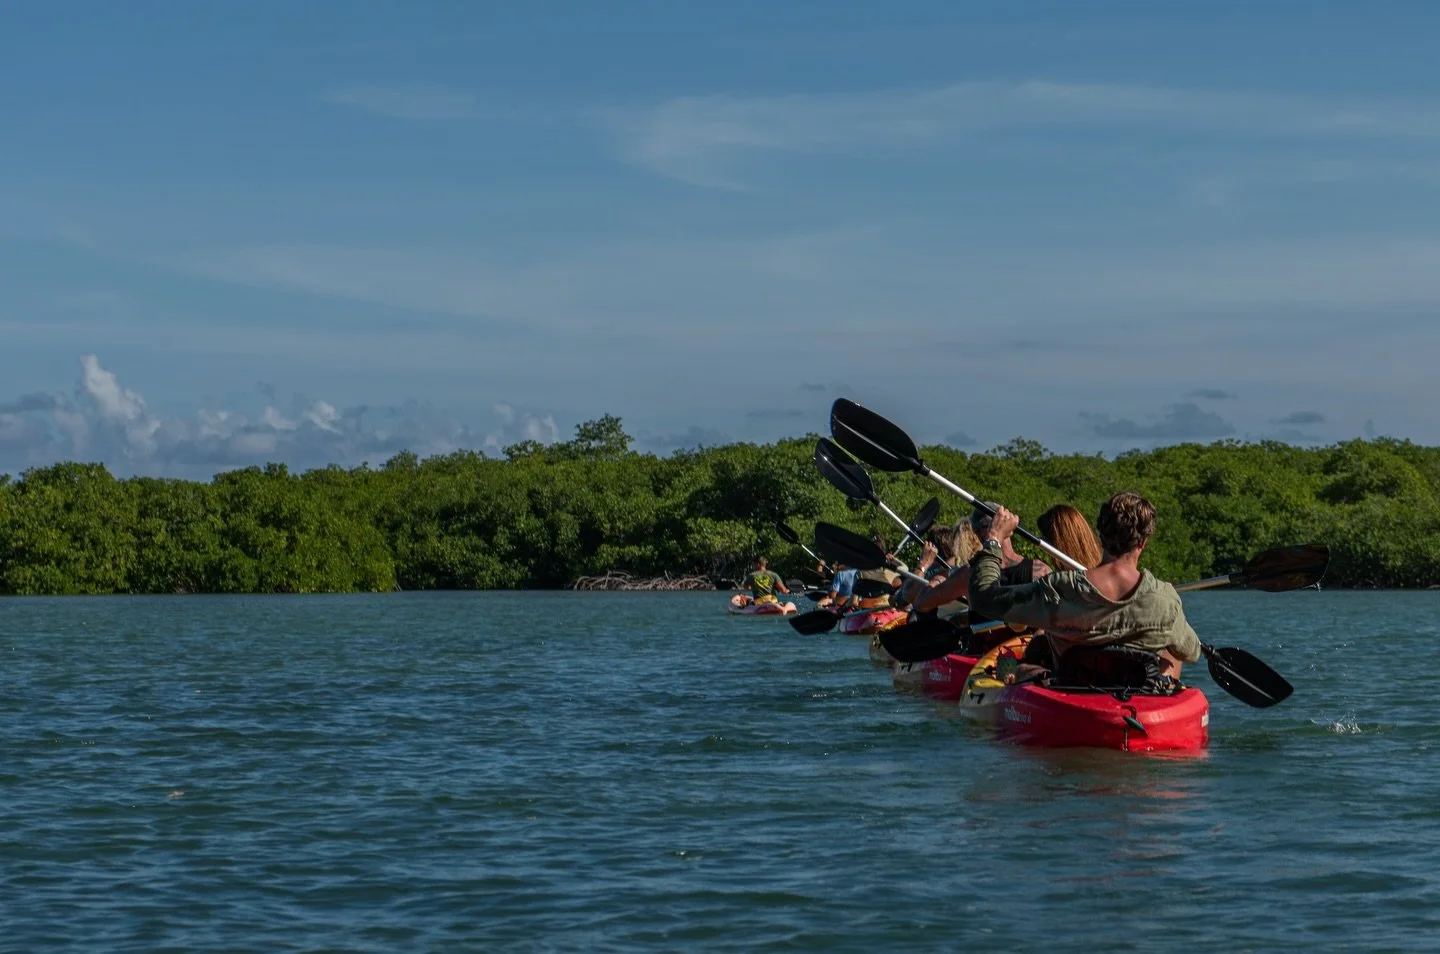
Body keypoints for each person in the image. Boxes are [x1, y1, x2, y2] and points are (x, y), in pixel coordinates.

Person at [969, 492, 1201, 681]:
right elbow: (1192, 651)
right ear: (1143, 541)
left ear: (1100, 535)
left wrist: (993, 539)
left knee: (1020, 666)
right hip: (1139, 697)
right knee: (1172, 650)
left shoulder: (1060, 588)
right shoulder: (1165, 599)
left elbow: (983, 598)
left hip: (1075, 689)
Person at [911, 503, 1050, 615]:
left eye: (993, 525)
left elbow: (921, 602)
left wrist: (924, 569)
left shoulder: (969, 574)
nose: (992, 529)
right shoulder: (968, 573)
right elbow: (922, 603)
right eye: (988, 526)